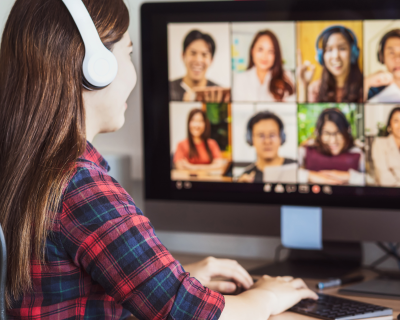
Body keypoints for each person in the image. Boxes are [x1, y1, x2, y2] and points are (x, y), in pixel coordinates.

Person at [0, 0, 317, 319]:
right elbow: (192, 315)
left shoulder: (27, 165)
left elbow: (85, 283)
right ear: (96, 68)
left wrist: (173, 276)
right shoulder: (82, 186)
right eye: (129, 53)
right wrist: (268, 296)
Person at [298, 108, 365, 186]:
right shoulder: (307, 149)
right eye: (326, 133)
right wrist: (310, 175)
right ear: (318, 133)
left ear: (347, 131)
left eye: (338, 132)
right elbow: (287, 171)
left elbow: (373, 179)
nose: (333, 141)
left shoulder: (357, 152)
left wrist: (349, 176)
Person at [298, 26, 363, 103]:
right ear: (322, 56)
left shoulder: (365, 86)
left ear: (353, 53)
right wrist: (304, 85)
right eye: (329, 50)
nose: (335, 56)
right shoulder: (315, 89)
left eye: (342, 48)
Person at [232, 30, 295, 102]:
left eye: (270, 51)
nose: (264, 56)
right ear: (252, 51)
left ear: (275, 55)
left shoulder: (286, 76)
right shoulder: (240, 79)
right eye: (260, 49)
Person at [169, 29, 230, 103]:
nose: (198, 60)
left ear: (211, 60)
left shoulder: (220, 93)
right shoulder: (168, 88)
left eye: (204, 54)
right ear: (183, 56)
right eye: (193, 53)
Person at [239, 111, 297, 183]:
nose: (267, 141)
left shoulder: (296, 168)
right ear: (250, 139)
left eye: (272, 135)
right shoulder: (245, 177)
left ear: (281, 137)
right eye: (261, 135)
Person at [366, 29, 400, 103]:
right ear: (381, 57)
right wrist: (366, 82)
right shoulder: (372, 90)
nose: (397, 59)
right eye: (391, 53)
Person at [371, 106, 400, 186]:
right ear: (390, 125)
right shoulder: (379, 144)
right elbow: (384, 178)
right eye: (396, 121)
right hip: (389, 195)